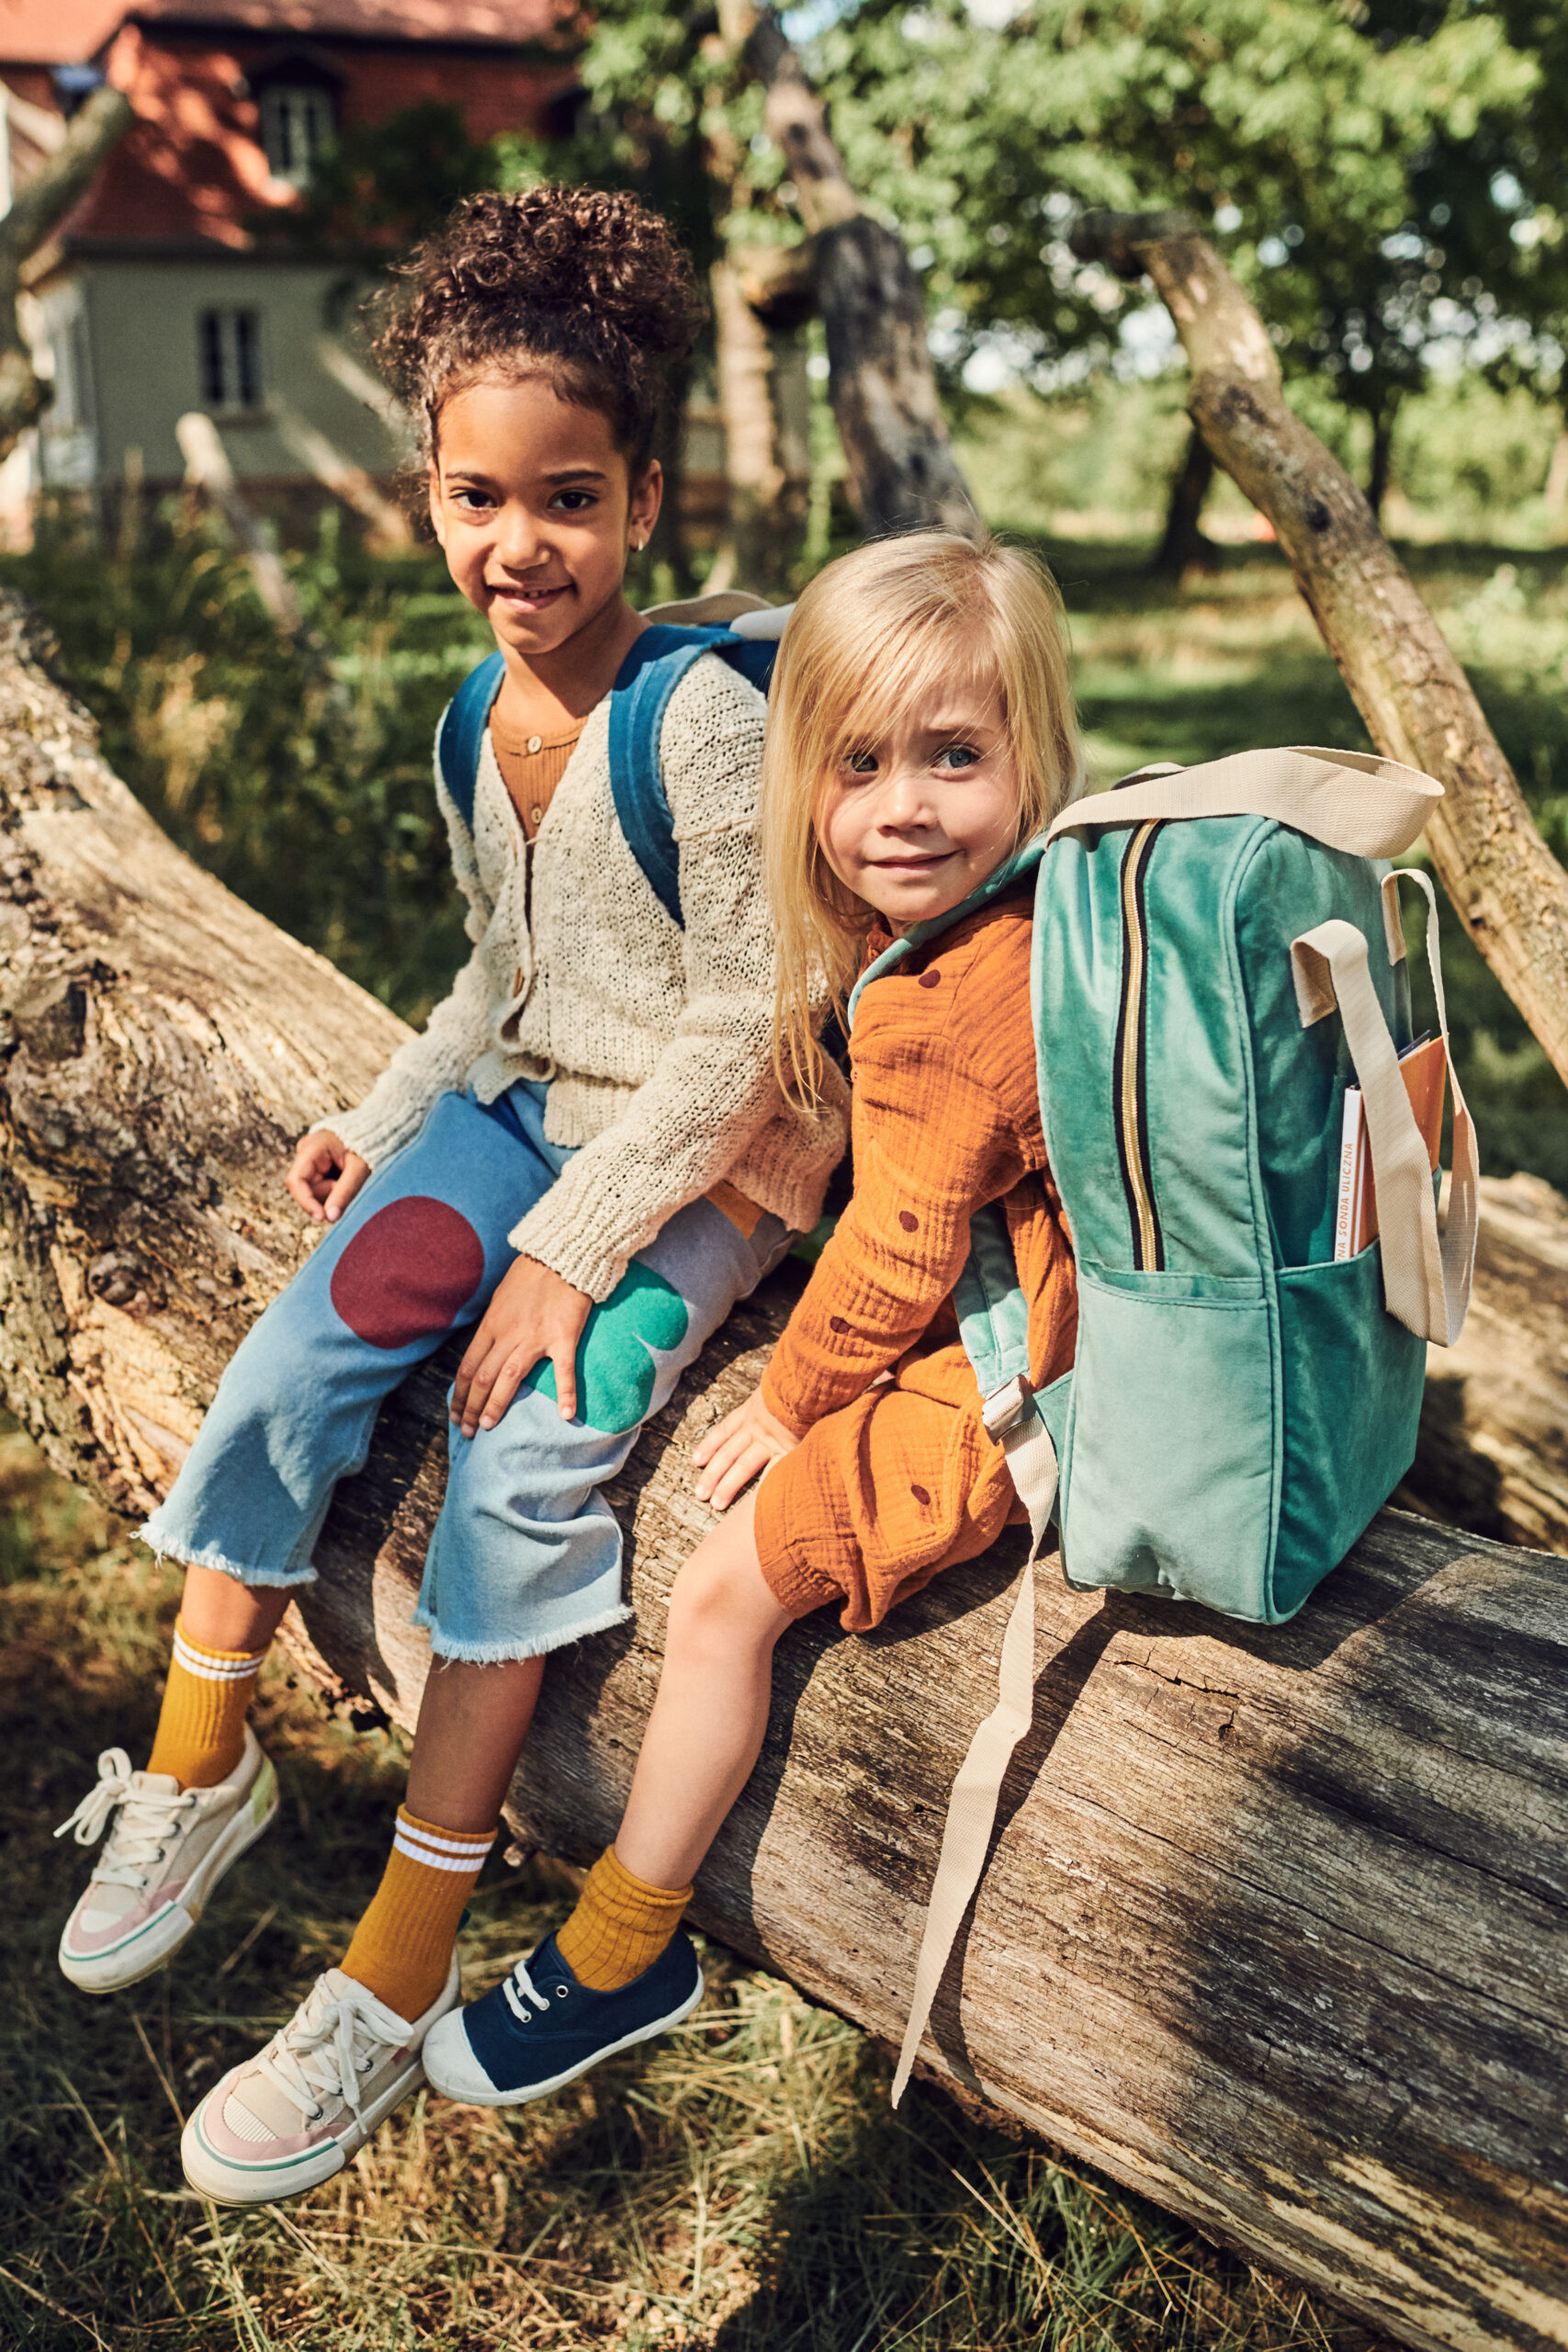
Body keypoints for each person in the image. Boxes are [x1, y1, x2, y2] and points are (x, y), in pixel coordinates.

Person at [51, 187, 845, 2206]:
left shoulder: (706, 717)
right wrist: (385, 1107)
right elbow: (504, 974)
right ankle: (199, 1749)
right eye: (479, 499)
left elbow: (750, 1026)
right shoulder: (466, 718)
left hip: (708, 1165)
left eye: (567, 497)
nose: (521, 547)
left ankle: (396, 1964)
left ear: (645, 494)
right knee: (313, 1323)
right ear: (424, 494)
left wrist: (573, 1255)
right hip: (514, 1111)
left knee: (521, 1449)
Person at [420, 528, 1082, 2109]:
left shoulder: (944, 1001)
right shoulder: (1007, 912)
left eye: (954, 757)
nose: (902, 804)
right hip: (1004, 1298)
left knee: (723, 1591)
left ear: (1034, 755)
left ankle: (627, 1942)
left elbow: (901, 1257)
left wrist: (788, 1406)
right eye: (856, 763)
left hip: (1027, 1370)